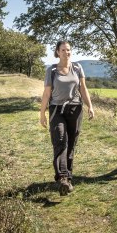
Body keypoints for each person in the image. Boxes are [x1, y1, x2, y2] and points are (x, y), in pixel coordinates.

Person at [39, 40, 94, 195]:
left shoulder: (77, 68)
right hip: (56, 109)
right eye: (63, 50)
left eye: (68, 49)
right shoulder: (51, 70)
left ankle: (67, 178)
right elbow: (46, 93)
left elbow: (83, 88)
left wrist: (90, 106)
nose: (66, 52)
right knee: (60, 140)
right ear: (57, 52)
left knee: (71, 144)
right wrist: (42, 113)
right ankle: (63, 176)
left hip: (75, 109)